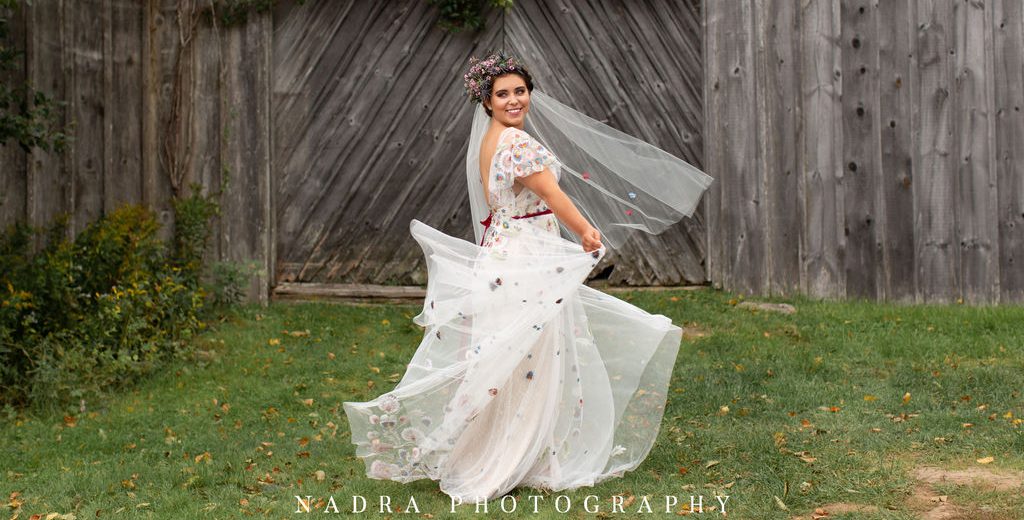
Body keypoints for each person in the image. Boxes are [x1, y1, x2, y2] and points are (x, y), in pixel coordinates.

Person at [343, 51, 713, 504]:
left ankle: (509, 452)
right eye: (503, 94)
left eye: (520, 91)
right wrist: (586, 233)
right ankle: (508, 459)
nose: (514, 99)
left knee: (511, 359)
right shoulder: (518, 145)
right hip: (525, 262)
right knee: (530, 359)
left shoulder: (492, 141)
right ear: (486, 102)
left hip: (504, 255)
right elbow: (552, 193)